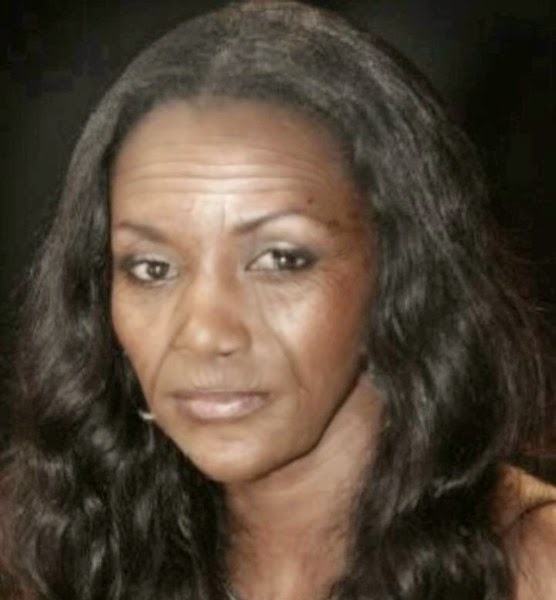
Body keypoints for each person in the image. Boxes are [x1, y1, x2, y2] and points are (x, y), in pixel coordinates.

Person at [1, 1, 554, 598]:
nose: (205, 332)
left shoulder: (533, 568)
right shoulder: (44, 553)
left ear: (403, 267)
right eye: (152, 268)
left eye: (281, 259)